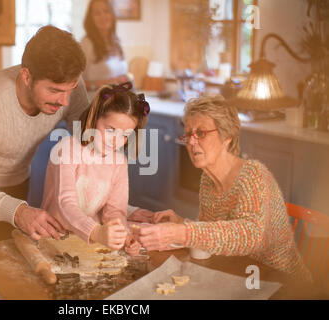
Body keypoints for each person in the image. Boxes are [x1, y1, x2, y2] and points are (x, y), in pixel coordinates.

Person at [136, 95, 312, 282]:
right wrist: (180, 223)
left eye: (201, 133)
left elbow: (250, 235)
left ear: (226, 136)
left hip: (282, 282)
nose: (191, 142)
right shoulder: (207, 180)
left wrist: (181, 232)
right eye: (188, 134)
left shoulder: (253, 175)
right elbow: (214, 237)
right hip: (240, 276)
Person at [0, 25, 89, 247]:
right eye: (54, 91)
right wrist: (20, 212)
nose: (65, 102)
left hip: (17, 180)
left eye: (70, 90)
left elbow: (90, 143)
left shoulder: (70, 87)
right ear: (26, 76)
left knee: (10, 257)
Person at [41, 82, 150, 255]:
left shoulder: (119, 162)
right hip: (53, 237)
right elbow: (65, 204)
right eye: (110, 130)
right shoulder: (67, 149)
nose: (116, 140)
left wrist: (123, 234)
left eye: (125, 135)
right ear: (95, 118)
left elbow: (114, 210)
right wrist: (96, 232)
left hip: (89, 243)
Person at [81, 0, 129, 97]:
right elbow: (77, 84)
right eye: (97, 13)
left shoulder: (116, 41)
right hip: (96, 105)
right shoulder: (86, 44)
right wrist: (109, 82)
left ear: (112, 14)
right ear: (91, 18)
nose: (103, 16)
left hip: (118, 105)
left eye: (106, 11)